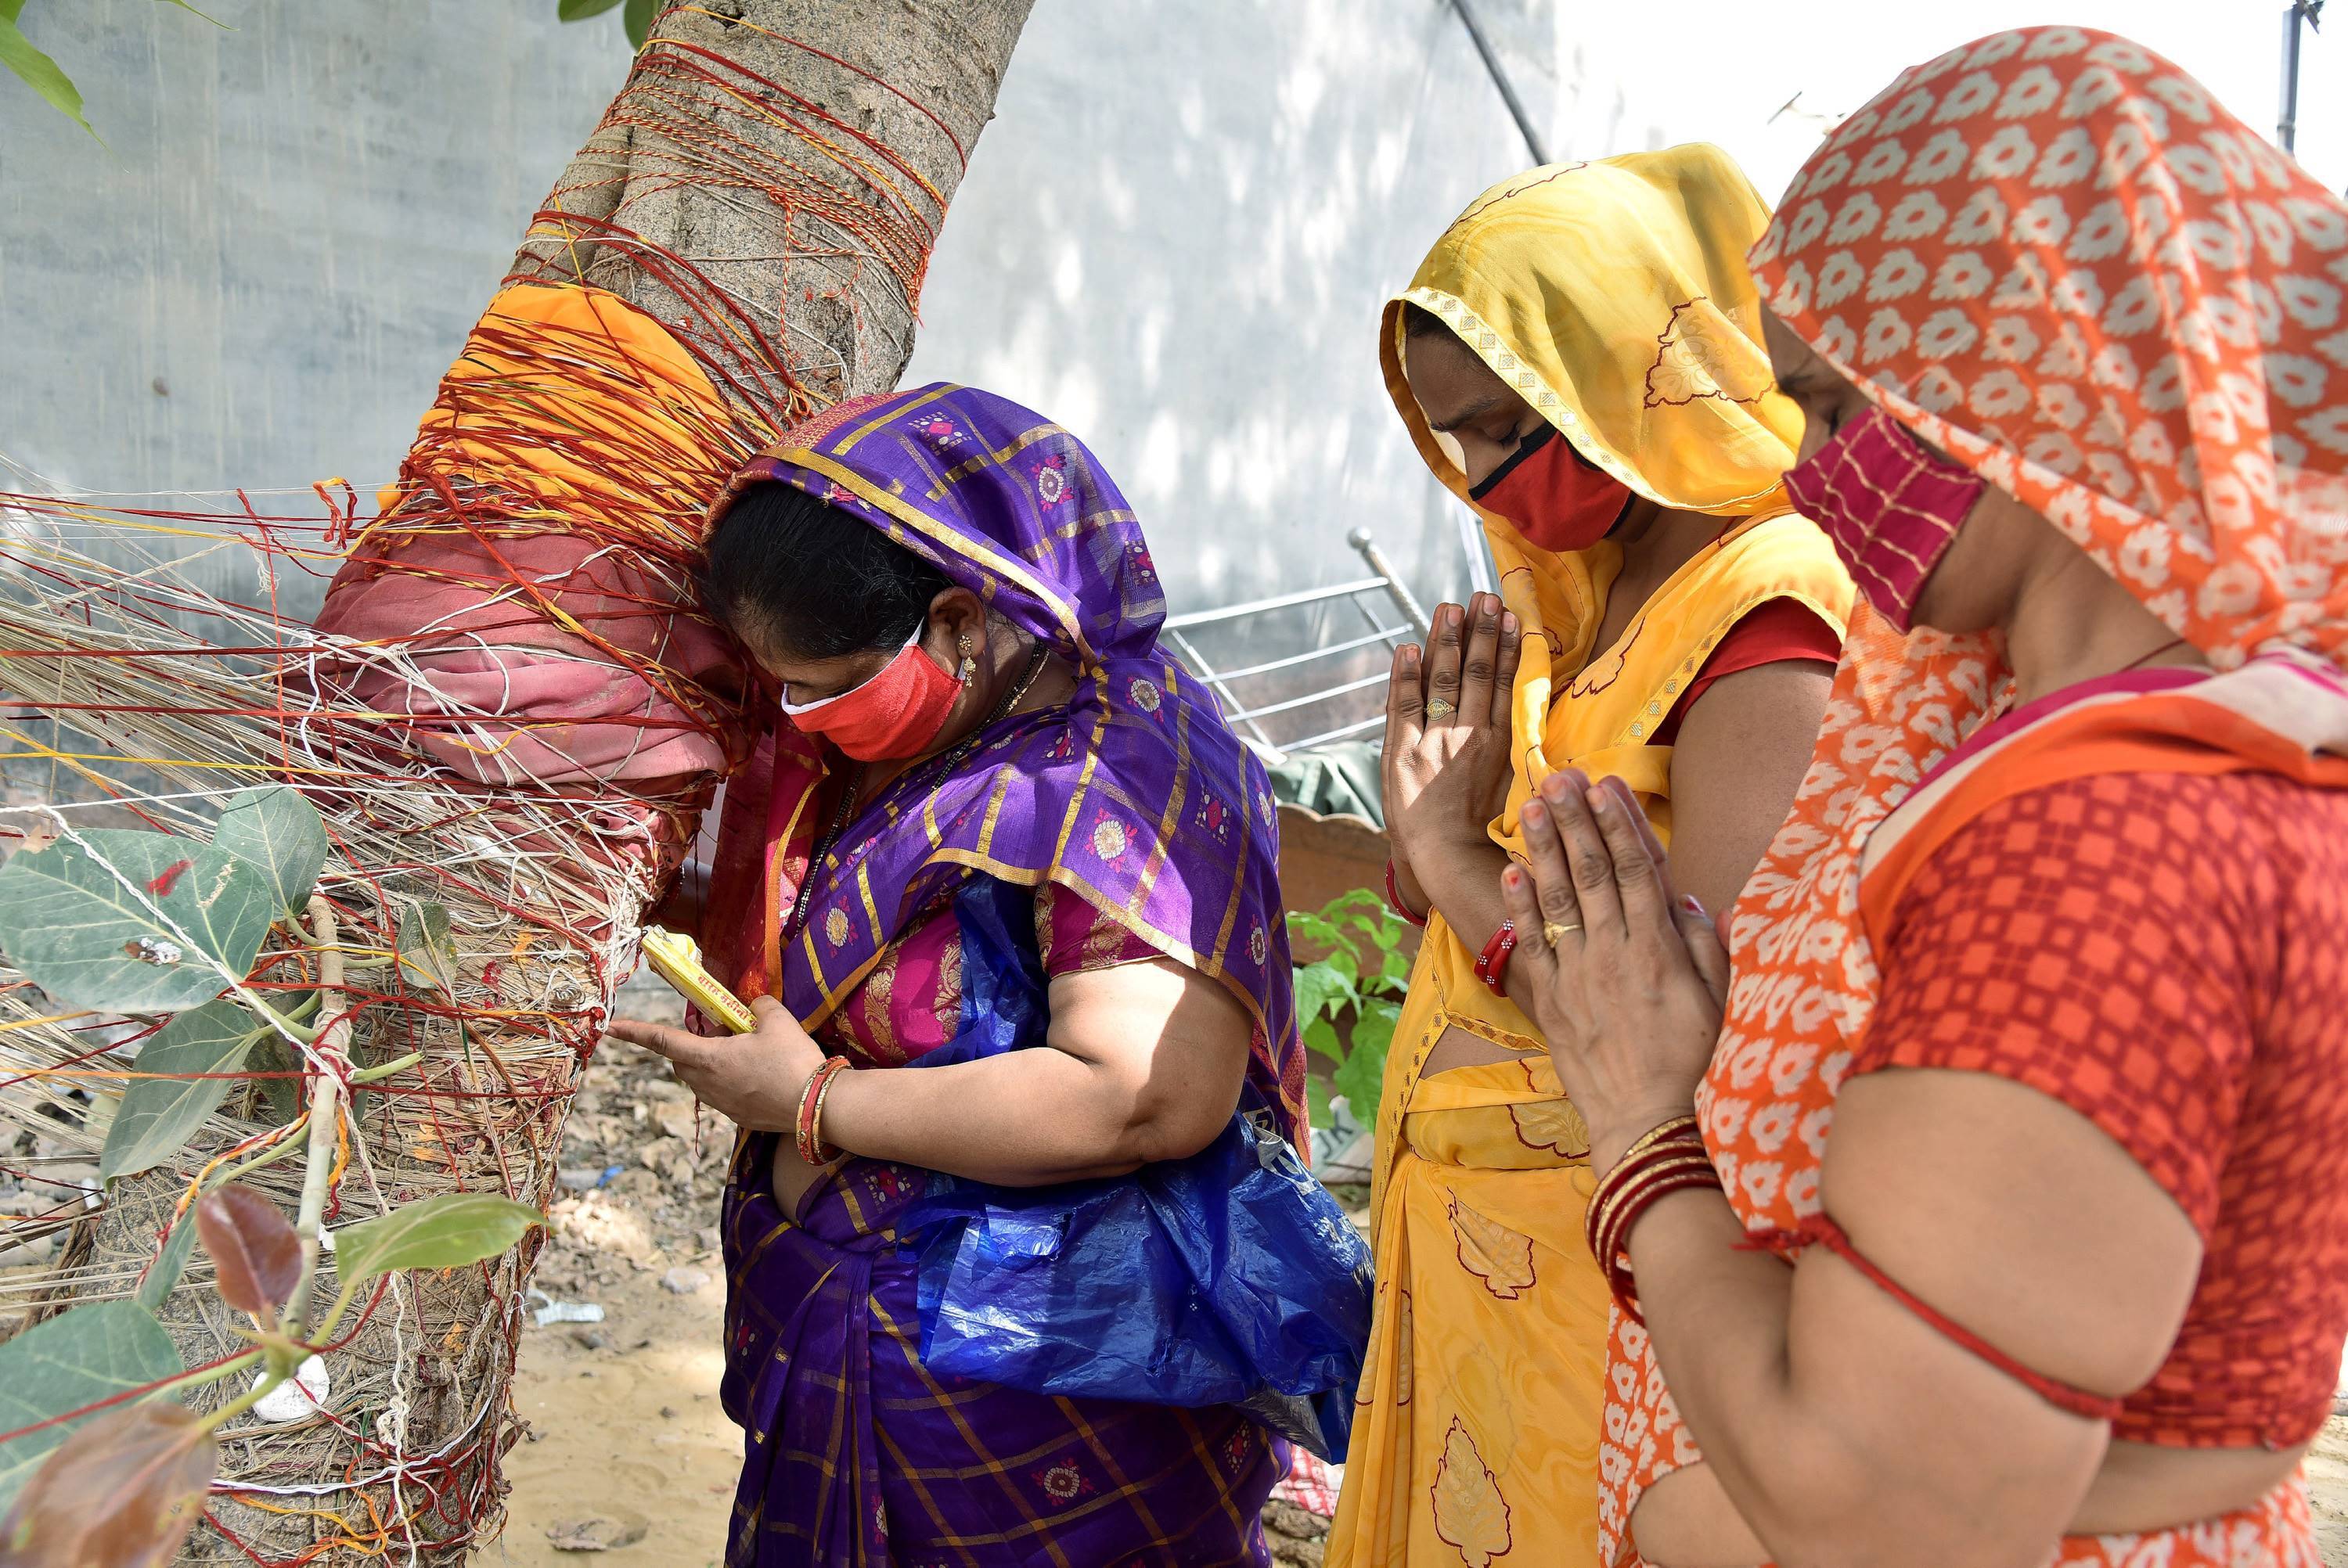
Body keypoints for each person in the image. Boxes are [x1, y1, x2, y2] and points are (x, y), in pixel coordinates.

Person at [1502, 28, 2348, 1568]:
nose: (1812, 477)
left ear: (2034, 366)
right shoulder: (2080, 720)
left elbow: (1883, 1512)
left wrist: (1640, 1129)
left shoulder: (2109, 844)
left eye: (1836, 408)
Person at [607, 384, 1332, 1567]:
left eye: (830, 680)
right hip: (863, 1351)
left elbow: (1143, 1094)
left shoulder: (1123, 777)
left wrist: (814, 1103)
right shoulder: (930, 736)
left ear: (959, 621)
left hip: (1036, 1411)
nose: (803, 716)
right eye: (780, 683)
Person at [1327, 148, 1855, 1566]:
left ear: (1642, 360)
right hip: (1474, 1244)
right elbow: (1440, 885)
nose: (1487, 477)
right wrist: (1422, 821)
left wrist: (1442, 846)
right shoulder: (1571, 597)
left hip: (1606, 1264)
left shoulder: (1769, 603)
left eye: (1510, 424)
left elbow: (1711, 1006)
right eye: (1454, 439)